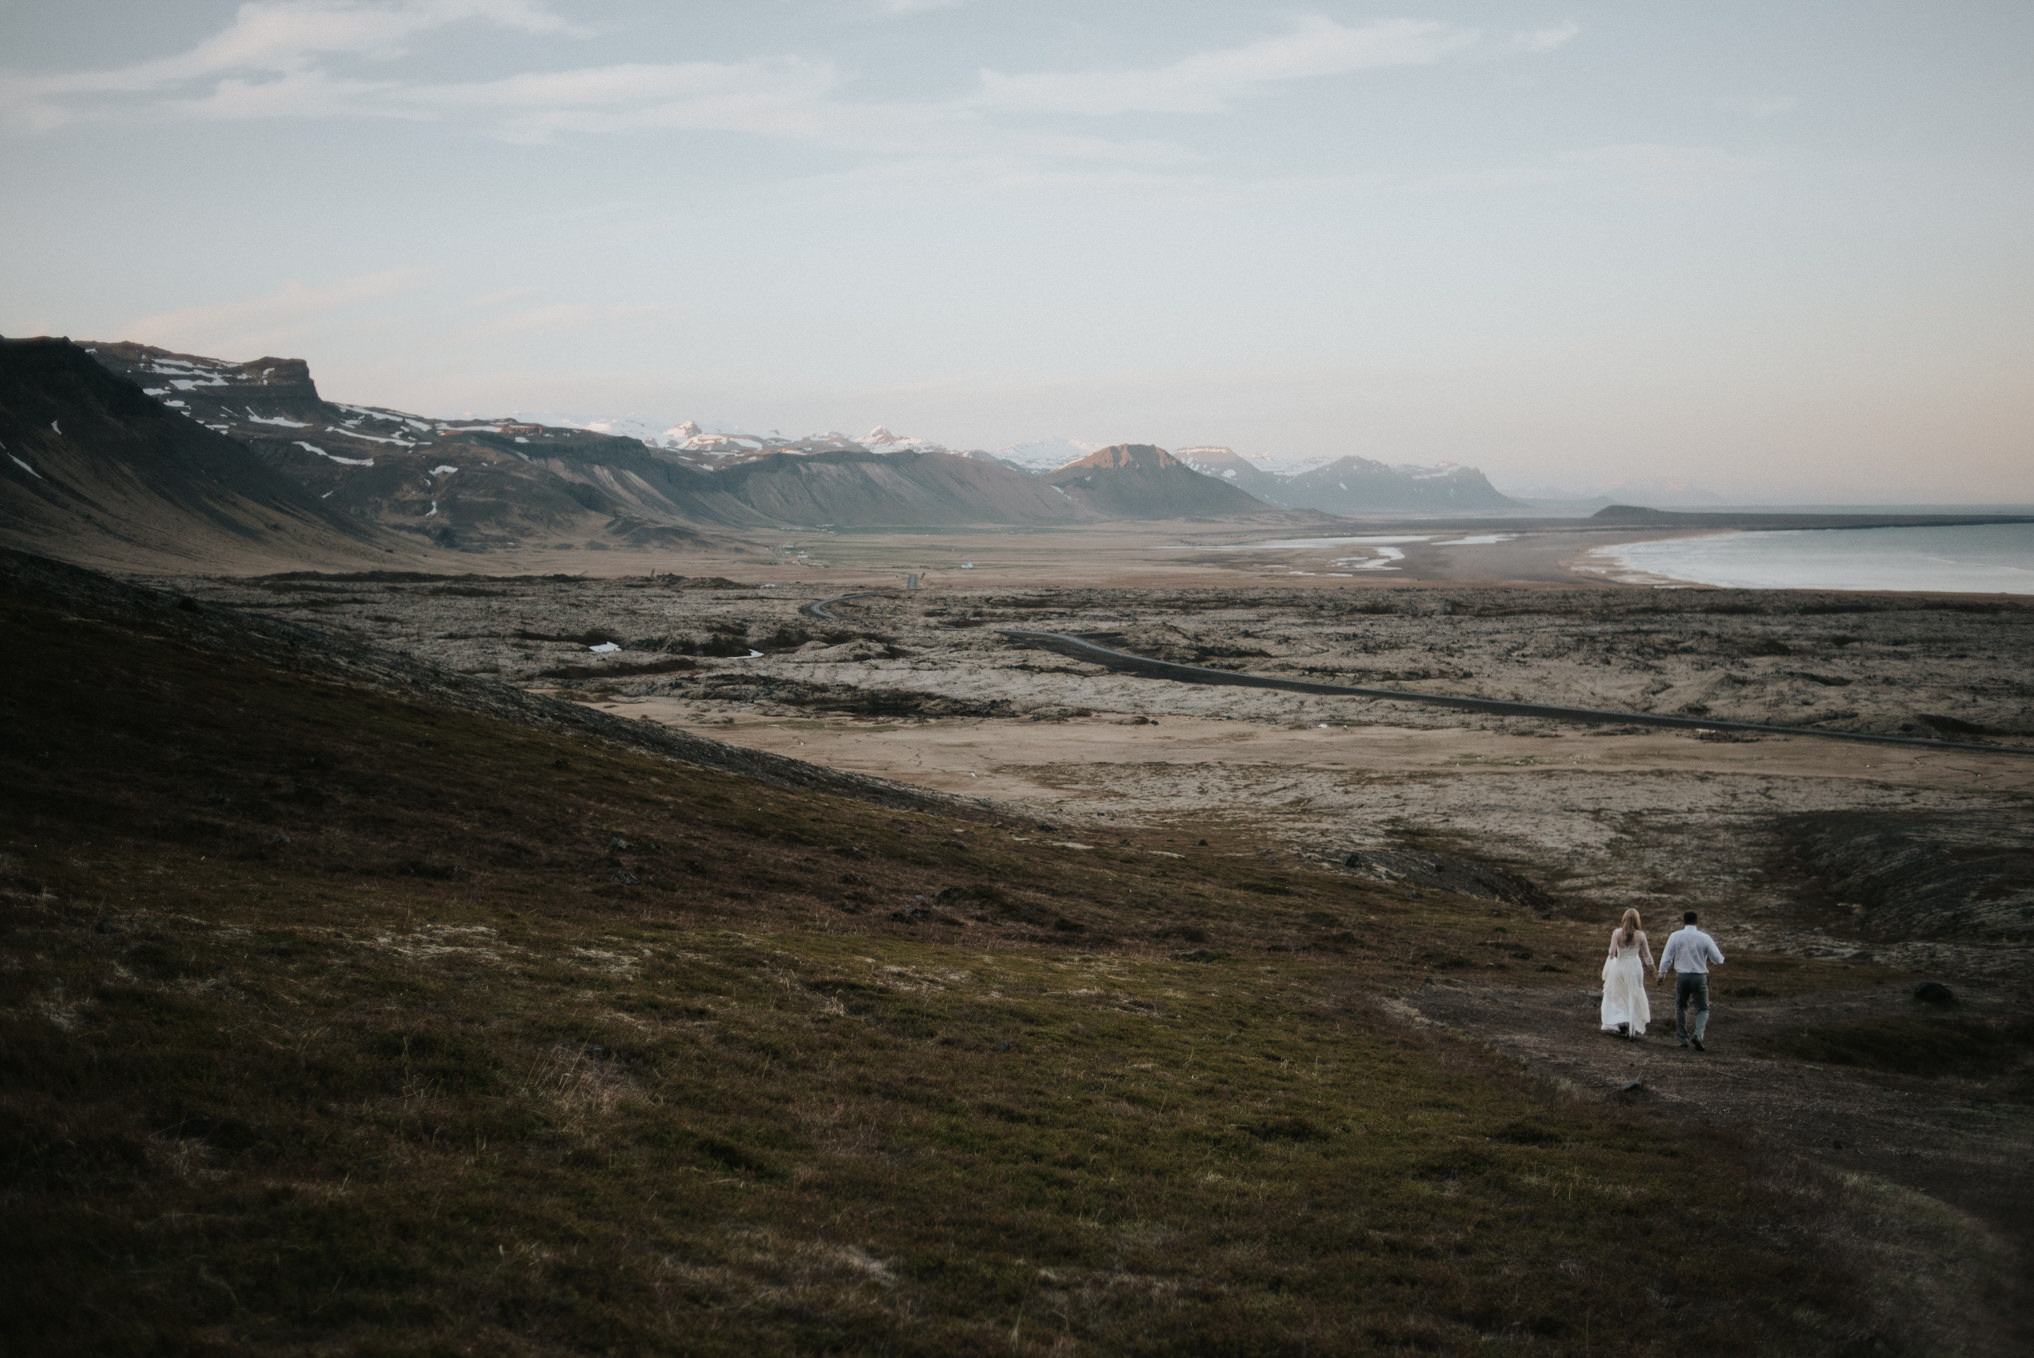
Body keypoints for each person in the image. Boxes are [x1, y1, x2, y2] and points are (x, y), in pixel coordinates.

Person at [1657, 910, 1726, 1050]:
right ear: (1697, 922)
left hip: (1682, 976)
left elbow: (1667, 958)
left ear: (1683, 922)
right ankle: (1698, 1035)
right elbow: (1718, 959)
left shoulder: (1675, 936)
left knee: (1681, 1006)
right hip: (1699, 976)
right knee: (1703, 1008)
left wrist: (1662, 974)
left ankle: (1683, 1039)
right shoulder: (1705, 938)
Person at [1598, 908, 1653, 1039]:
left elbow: (1611, 953)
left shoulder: (1617, 933)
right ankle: (1633, 1024)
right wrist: (1655, 971)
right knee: (1634, 993)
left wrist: (1612, 957)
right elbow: (1647, 956)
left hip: (1619, 966)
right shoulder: (1641, 935)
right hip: (1634, 966)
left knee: (1617, 993)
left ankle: (1620, 1021)